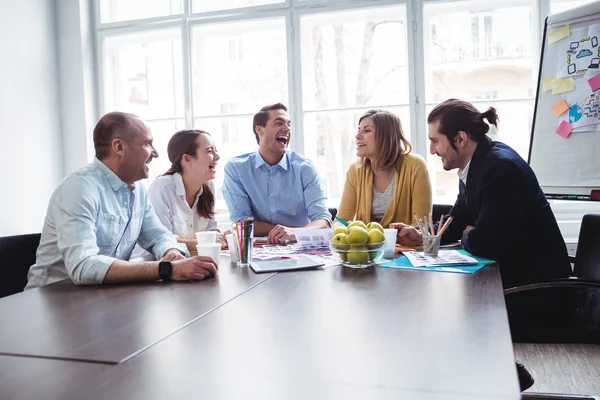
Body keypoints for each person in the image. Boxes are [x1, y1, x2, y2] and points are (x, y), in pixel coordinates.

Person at [392, 99, 573, 346]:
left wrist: (471, 233)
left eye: (435, 141)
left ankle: (497, 377)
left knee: (439, 320)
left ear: (461, 138)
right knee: (434, 311)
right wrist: (423, 237)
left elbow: (483, 243)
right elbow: (457, 222)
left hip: (535, 294)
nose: (432, 150)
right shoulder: (477, 164)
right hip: (507, 282)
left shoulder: (501, 169)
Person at [26, 112, 218, 289]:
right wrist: (167, 269)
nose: (155, 153)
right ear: (119, 147)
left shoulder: (137, 190)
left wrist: (171, 251)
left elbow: (159, 236)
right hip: (53, 298)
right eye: (147, 144)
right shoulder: (79, 188)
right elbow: (83, 266)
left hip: (100, 295)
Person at [222, 103, 331, 244]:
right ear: (259, 130)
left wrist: (294, 233)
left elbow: (323, 221)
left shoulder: (305, 169)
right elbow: (242, 223)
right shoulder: (236, 168)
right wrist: (283, 231)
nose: (287, 128)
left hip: (299, 246)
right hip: (258, 249)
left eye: (289, 124)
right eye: (279, 123)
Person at [336, 109, 432, 228]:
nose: (357, 136)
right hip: (366, 246)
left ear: (386, 135)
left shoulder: (416, 166)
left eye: (367, 130)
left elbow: (421, 226)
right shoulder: (355, 171)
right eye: (358, 130)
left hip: (406, 245)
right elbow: (341, 221)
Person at [147, 129, 227, 250]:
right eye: (210, 151)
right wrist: (207, 242)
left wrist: (220, 237)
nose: (217, 156)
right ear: (187, 159)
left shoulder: (208, 187)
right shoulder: (162, 187)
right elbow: (163, 240)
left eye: (216, 150)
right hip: (157, 263)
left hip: (190, 260)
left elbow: (210, 227)